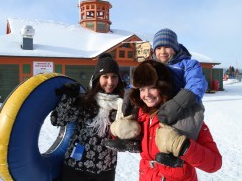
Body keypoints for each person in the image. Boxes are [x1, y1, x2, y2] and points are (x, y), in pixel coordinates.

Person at [106, 28, 207, 167]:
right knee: (136, 106)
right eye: (158, 48)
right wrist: (131, 91)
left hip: (185, 103)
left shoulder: (187, 65)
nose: (162, 51)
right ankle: (132, 138)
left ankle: (177, 155)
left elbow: (196, 84)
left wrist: (178, 103)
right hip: (161, 104)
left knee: (186, 122)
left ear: (175, 48)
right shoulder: (152, 65)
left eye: (167, 47)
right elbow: (141, 80)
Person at [130, 60, 222, 180]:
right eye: (142, 89)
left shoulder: (185, 117)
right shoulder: (142, 115)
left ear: (164, 86)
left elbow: (214, 163)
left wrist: (184, 147)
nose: (146, 94)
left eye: (152, 87)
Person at [50, 53, 124, 181]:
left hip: (106, 170)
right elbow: (57, 120)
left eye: (114, 77)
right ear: (97, 78)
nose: (110, 82)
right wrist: (68, 98)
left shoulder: (122, 105)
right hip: (76, 169)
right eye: (105, 77)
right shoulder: (85, 102)